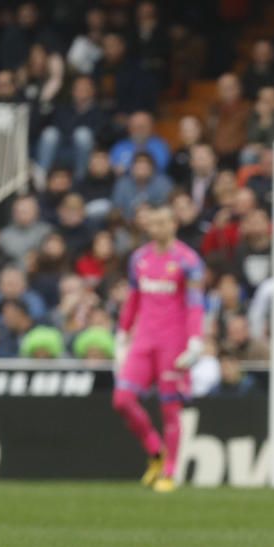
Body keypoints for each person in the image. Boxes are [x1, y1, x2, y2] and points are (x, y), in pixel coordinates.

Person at [113, 206, 205, 493]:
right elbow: (133, 298)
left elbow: (194, 302)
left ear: (174, 224)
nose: (158, 228)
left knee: (170, 408)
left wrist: (195, 339)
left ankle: (169, 471)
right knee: (122, 399)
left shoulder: (188, 261)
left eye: (163, 222)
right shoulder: (139, 259)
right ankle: (155, 450)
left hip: (172, 342)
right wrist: (122, 332)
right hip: (144, 340)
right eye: (153, 224)